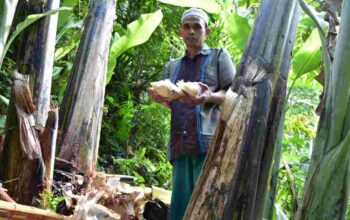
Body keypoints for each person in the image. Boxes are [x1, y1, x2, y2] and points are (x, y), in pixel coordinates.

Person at [149, 8, 235, 220]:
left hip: (207, 143)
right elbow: (171, 99)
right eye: (187, 27)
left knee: (205, 204)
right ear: (180, 32)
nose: (192, 31)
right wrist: (160, 97)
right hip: (179, 142)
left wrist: (208, 97)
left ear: (207, 31)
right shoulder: (173, 66)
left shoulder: (218, 57)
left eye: (197, 26)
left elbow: (233, 94)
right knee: (180, 208)